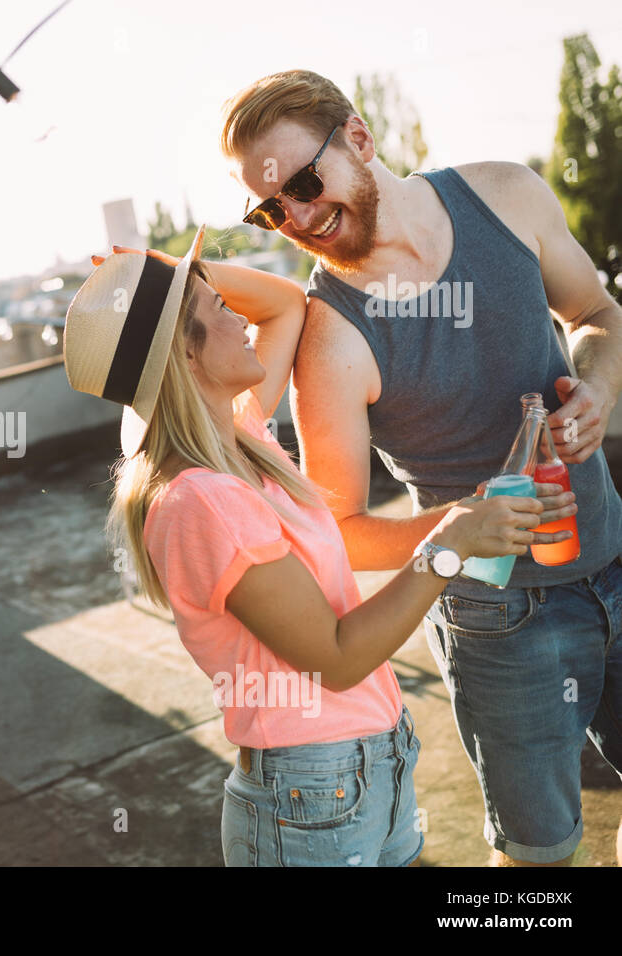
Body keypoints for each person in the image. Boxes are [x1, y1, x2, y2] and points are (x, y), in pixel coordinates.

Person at [221, 69, 622, 866]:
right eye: (272, 207)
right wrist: (457, 532)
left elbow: (600, 313)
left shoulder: (506, 195)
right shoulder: (332, 339)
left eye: (305, 181)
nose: (298, 217)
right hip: (499, 624)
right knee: (539, 856)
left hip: (616, 554)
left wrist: (601, 386)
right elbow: (334, 530)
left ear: (360, 140)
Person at [65, 227, 545, 866]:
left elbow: (285, 304)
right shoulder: (199, 499)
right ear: (184, 353)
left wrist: (172, 275)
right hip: (312, 793)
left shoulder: (240, 438)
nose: (238, 319)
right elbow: (337, 658)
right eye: (216, 310)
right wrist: (446, 546)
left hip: (369, 767)